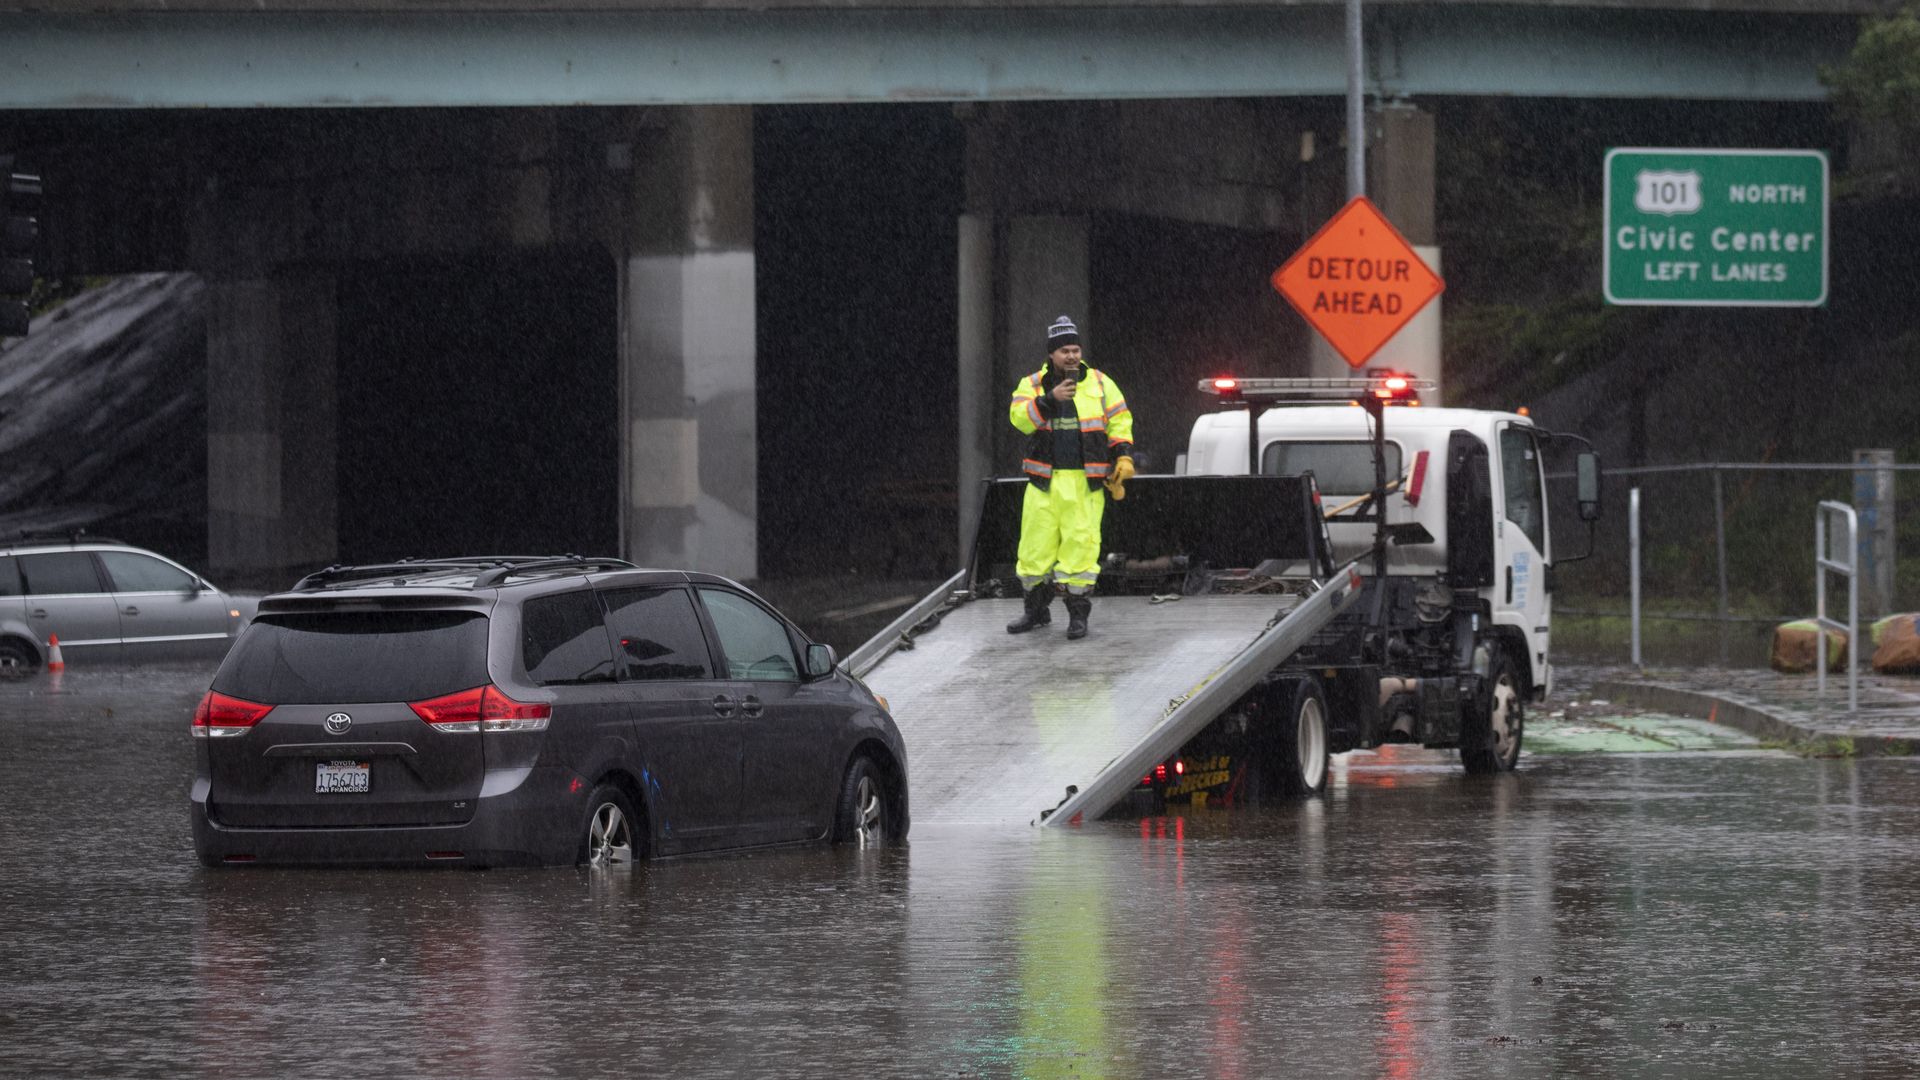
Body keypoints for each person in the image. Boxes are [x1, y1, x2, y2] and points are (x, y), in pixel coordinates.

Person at [1005, 315, 1135, 640]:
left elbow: (1119, 419)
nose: (1072, 356)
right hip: (1043, 482)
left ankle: (1078, 618)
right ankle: (1035, 612)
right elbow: (1019, 419)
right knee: (1033, 553)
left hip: (1085, 483)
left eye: (1075, 349)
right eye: (1064, 351)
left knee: (1080, 552)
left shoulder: (1101, 383)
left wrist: (1124, 455)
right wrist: (1050, 400)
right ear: (1052, 354)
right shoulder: (1032, 384)